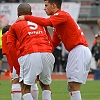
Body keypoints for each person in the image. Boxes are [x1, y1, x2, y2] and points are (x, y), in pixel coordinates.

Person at [17, 0, 92, 100]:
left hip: (79, 50)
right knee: (71, 86)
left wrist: (26, 17)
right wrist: (40, 55)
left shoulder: (62, 14)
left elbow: (46, 22)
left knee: (74, 86)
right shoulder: (58, 25)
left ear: (53, 5)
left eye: (46, 5)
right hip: (75, 51)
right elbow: (53, 44)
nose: (44, 8)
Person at [7, 3, 55, 100]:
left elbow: (11, 48)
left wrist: (17, 66)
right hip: (47, 53)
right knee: (45, 85)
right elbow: (49, 41)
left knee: (25, 87)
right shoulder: (40, 23)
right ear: (31, 13)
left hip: (30, 53)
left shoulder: (14, 26)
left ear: (18, 13)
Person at [2, 25, 39, 100]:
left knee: (16, 81)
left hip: (17, 59)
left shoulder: (5, 36)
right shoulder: (25, 32)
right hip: (30, 57)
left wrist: (12, 69)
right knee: (33, 81)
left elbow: (8, 53)